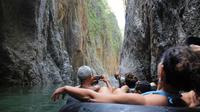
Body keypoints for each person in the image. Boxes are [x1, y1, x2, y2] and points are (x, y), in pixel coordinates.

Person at [52, 46, 200, 107]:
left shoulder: (143, 100)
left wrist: (65, 88)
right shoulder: (191, 98)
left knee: (116, 89)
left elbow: (91, 97)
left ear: (161, 71)